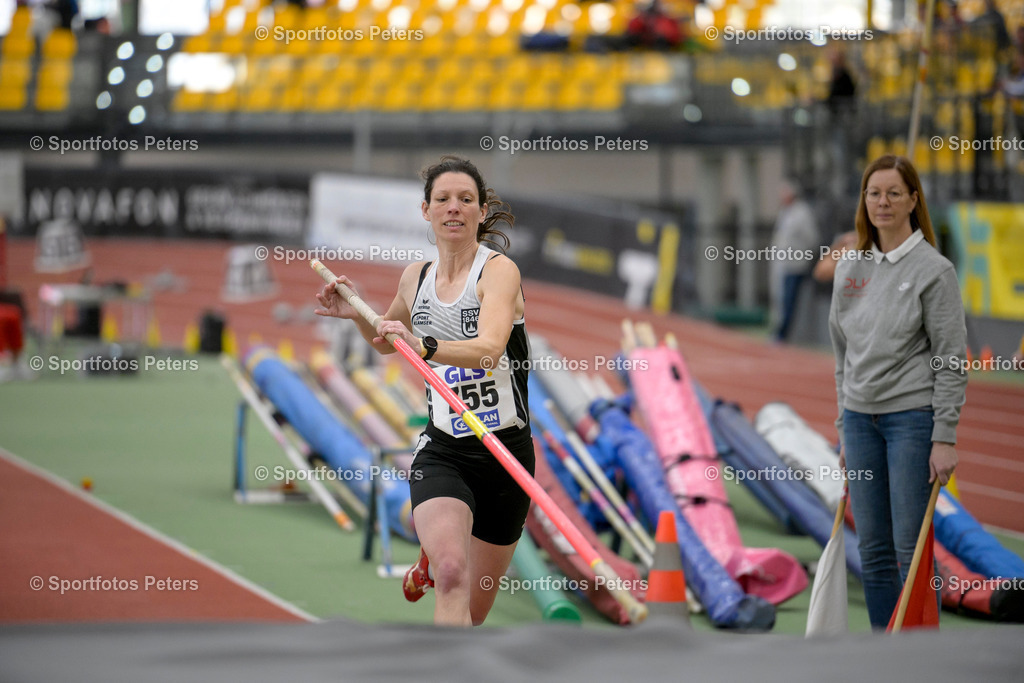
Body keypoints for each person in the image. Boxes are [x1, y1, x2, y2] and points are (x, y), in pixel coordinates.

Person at [314, 156, 533, 627]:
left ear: (479, 211)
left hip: (505, 456)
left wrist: (426, 345)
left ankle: (428, 562)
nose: (454, 208)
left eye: (465, 200)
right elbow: (388, 341)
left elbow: (491, 350)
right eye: (443, 200)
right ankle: (439, 564)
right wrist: (354, 313)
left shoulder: (498, 273)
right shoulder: (414, 278)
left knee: (473, 615)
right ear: (426, 210)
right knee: (454, 574)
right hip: (444, 450)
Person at [829, 155, 967, 630]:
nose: (882, 202)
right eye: (873, 193)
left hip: (911, 420)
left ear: (913, 200)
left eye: (893, 193)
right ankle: (883, 656)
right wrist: (844, 425)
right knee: (873, 547)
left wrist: (944, 435)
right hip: (859, 424)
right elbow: (841, 355)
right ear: (863, 202)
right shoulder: (851, 269)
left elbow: (951, 358)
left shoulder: (935, 270)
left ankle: (917, 659)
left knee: (911, 549)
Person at [770, 178, 819, 342]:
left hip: (795, 265)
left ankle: (784, 335)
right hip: (782, 264)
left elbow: (811, 239)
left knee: (790, 301)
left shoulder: (802, 213)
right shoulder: (785, 212)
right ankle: (780, 332)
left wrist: (801, 255)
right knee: (781, 301)